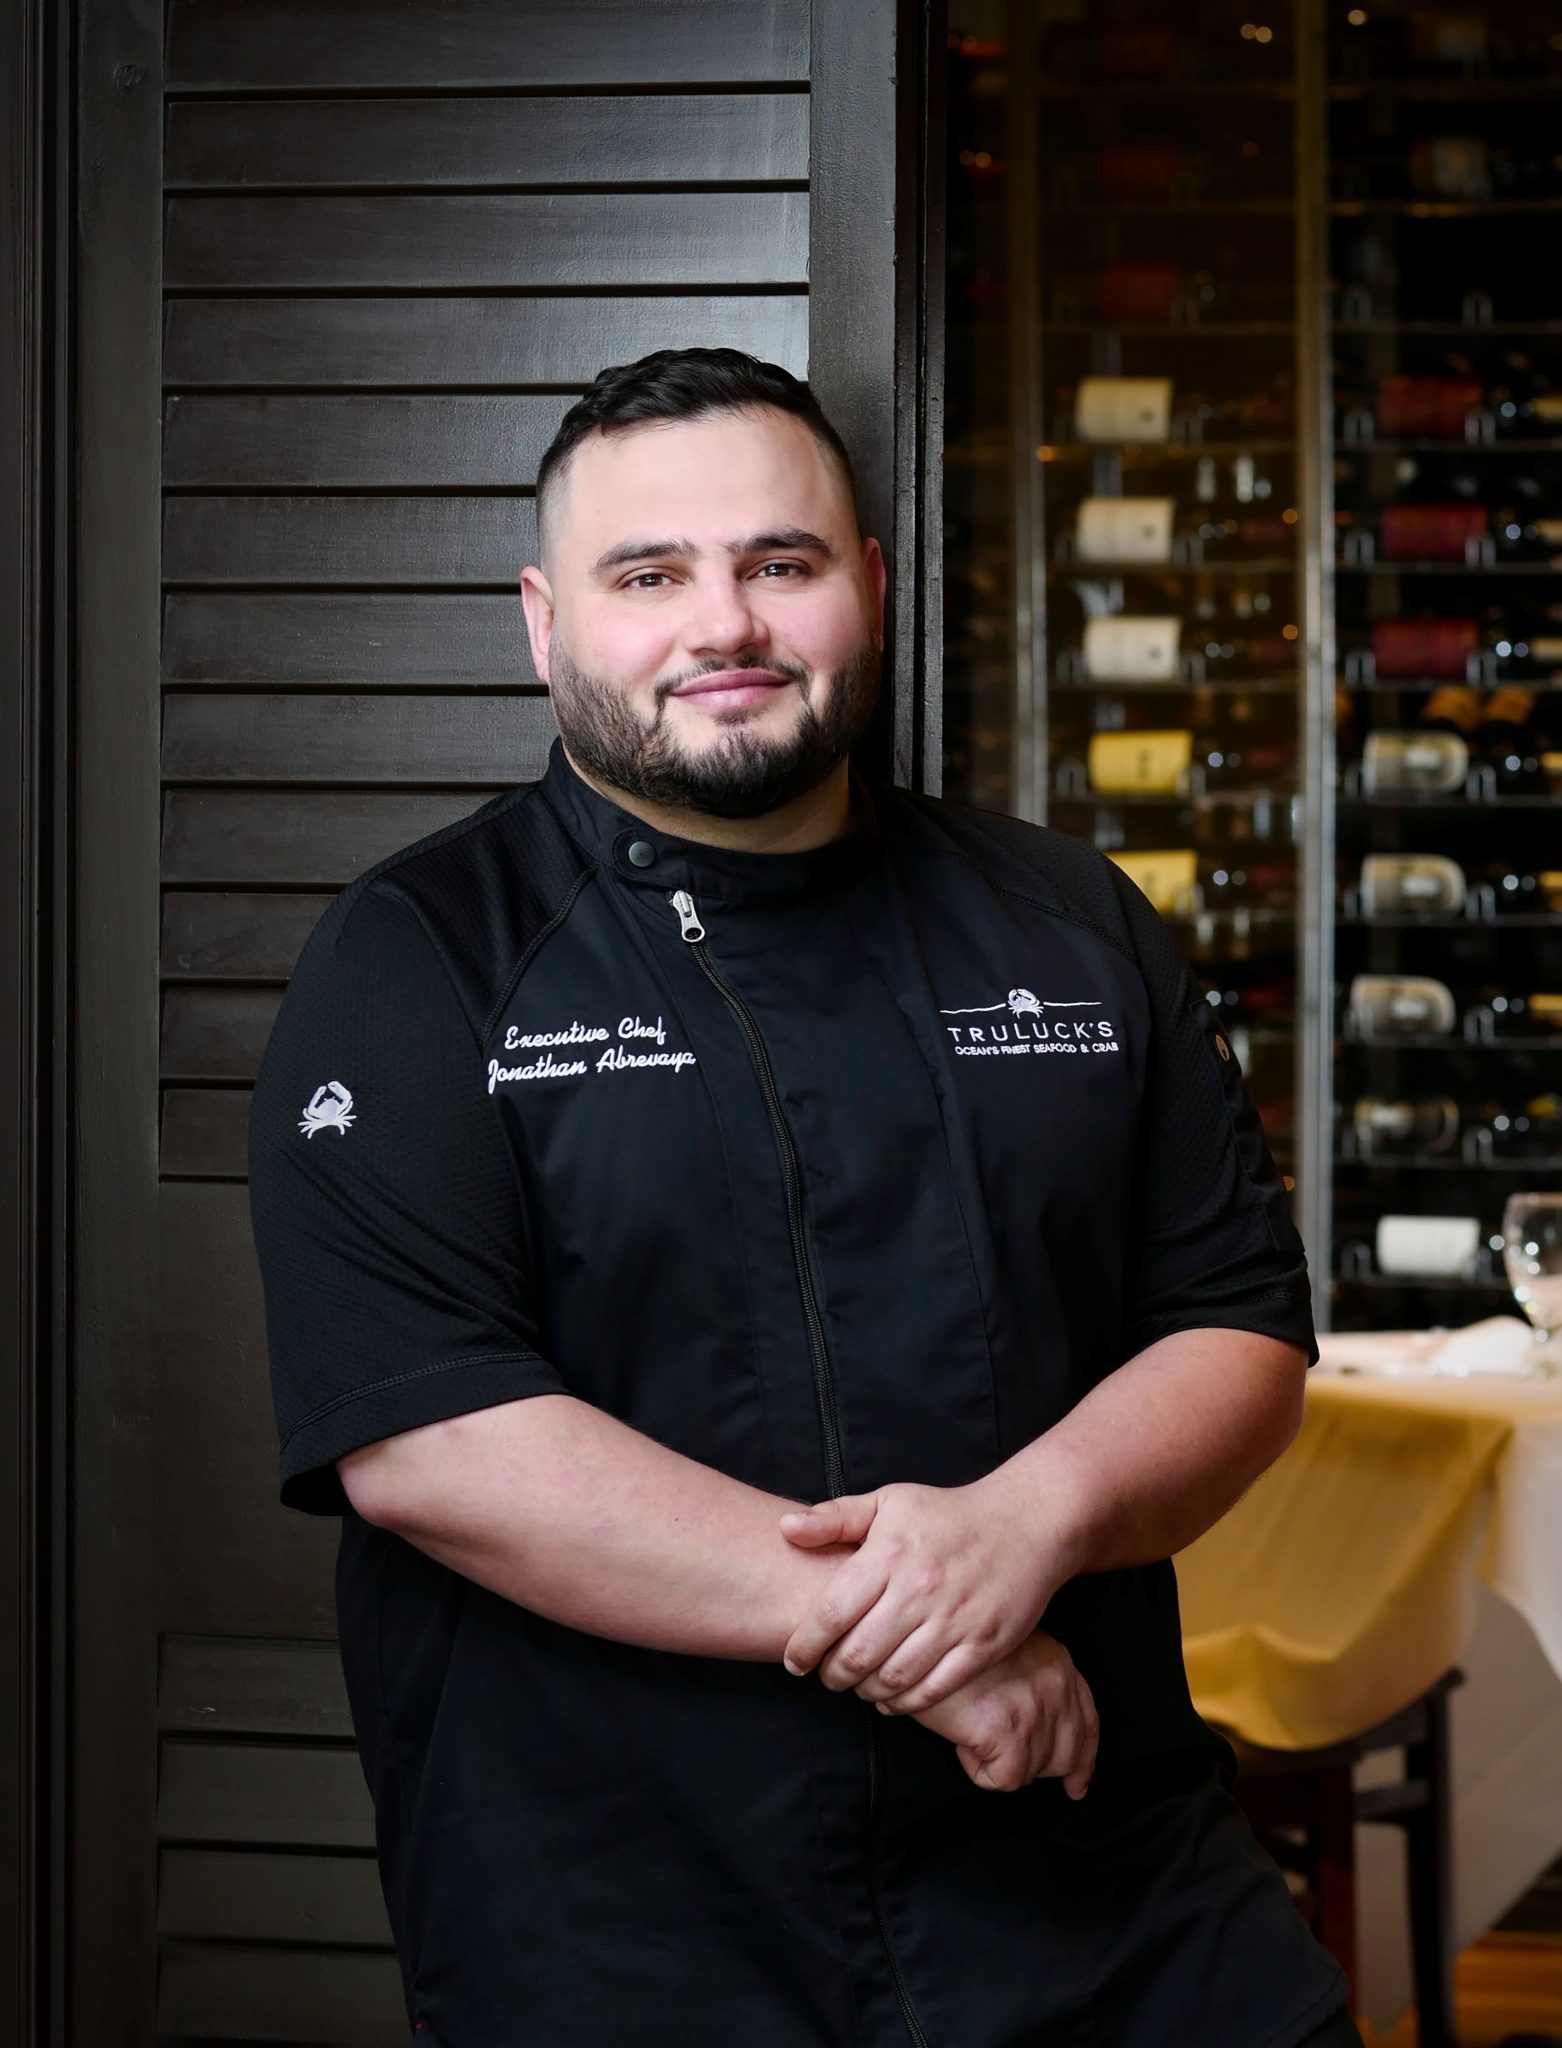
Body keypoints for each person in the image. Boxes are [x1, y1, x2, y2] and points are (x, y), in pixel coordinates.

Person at [247, 348, 1365, 2047]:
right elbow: (431, 1438)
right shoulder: (417, 955)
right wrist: (938, 1637)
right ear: (545, 626)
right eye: (650, 574)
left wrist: (1027, 1526)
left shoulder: (1069, 919)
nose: (726, 624)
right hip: (630, 1907)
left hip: (1104, 1868)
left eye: (779, 562)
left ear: (872, 587)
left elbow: (1236, 1328)